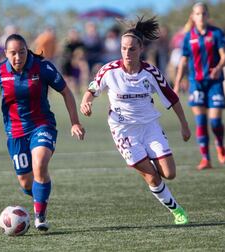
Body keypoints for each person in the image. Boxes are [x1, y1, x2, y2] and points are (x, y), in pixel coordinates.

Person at [80, 16, 191, 225]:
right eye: (123, 48)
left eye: (132, 49)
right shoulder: (109, 70)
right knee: (152, 177)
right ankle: (177, 210)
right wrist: (86, 103)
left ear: (140, 49)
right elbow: (91, 90)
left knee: (170, 173)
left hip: (150, 127)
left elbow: (172, 98)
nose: (127, 53)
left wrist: (184, 125)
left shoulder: (150, 72)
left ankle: (151, 169)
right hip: (124, 131)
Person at [0, 34, 85, 231]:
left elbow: (66, 92)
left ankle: (40, 217)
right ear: (5, 54)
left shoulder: (43, 67)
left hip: (42, 125)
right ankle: (39, 196)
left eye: (22, 52)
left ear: (28, 50)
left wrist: (75, 123)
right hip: (15, 132)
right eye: (13, 53)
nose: (18, 57)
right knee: (26, 182)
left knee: (40, 164)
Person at [174, 2, 225, 170]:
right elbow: (183, 62)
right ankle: (206, 158)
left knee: (215, 122)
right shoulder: (188, 37)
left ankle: (219, 143)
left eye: (204, 13)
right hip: (196, 83)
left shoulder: (216, 33)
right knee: (201, 121)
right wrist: (175, 85)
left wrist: (218, 68)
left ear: (207, 15)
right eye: (198, 14)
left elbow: (224, 56)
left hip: (214, 82)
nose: (201, 16)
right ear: (193, 16)